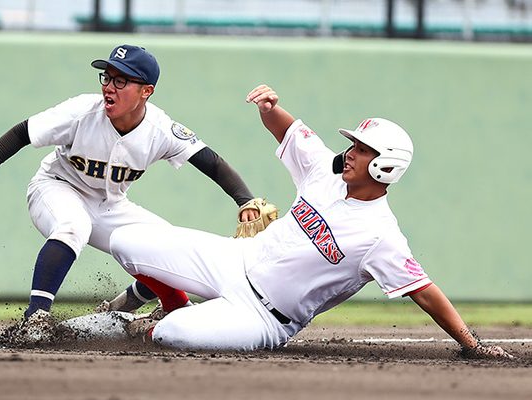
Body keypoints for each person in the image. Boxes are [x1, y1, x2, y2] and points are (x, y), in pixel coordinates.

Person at [107, 84, 513, 358]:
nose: (351, 152)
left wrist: (472, 344)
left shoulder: (380, 235)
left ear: (387, 166)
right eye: (353, 144)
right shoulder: (326, 172)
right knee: (127, 241)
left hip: (264, 317)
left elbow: (425, 292)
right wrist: (270, 107)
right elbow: (286, 130)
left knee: (174, 336)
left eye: (364, 149)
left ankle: (156, 324)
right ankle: (168, 304)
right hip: (235, 260)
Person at [0, 44, 259, 326]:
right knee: (73, 226)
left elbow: (210, 161)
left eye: (121, 80)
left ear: (146, 91)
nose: (110, 86)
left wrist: (245, 200)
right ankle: (34, 319)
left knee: (167, 246)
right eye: (107, 77)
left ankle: (133, 303)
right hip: (56, 187)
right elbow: (22, 133)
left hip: (110, 204)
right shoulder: (81, 111)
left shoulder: (160, 129)